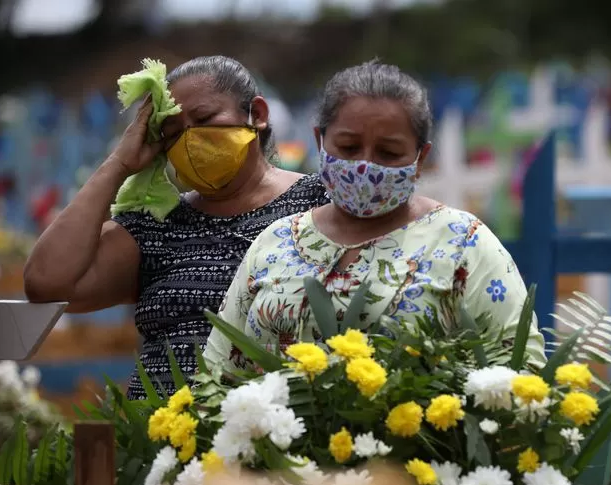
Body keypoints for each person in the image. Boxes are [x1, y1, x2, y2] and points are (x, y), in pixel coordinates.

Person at [23, 56, 330, 399]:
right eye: (172, 133)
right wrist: (118, 164)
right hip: (159, 437)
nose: (189, 139)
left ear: (256, 115)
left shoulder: (320, 202)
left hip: (277, 431)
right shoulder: (156, 228)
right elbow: (45, 283)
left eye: (204, 119)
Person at [204, 60, 544, 370]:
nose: (366, 165)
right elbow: (220, 374)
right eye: (349, 148)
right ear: (319, 142)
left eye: (389, 152)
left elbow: (518, 369)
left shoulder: (462, 242)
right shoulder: (275, 243)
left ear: (420, 158)